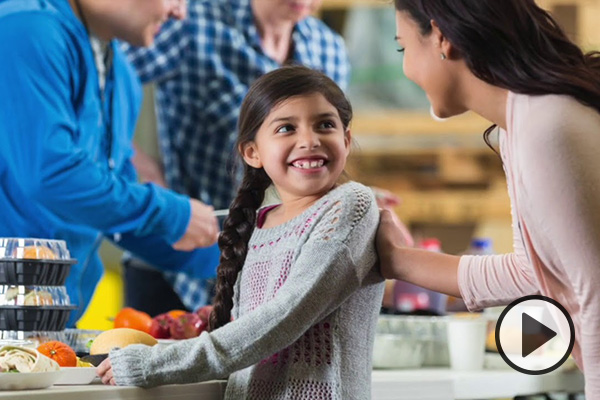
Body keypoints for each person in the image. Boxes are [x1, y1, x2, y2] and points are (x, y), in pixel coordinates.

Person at [98, 66, 384, 399]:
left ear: (346, 140)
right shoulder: (259, 223)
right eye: (286, 128)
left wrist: (154, 363)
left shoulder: (351, 203)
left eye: (325, 125)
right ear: (252, 153)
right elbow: (247, 342)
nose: (309, 140)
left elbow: (283, 317)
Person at [376, 0, 600, 396]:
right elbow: (531, 272)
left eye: (403, 47)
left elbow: (596, 293)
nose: (406, 68)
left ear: (442, 38)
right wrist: (396, 259)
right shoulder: (520, 124)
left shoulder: (546, 126)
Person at [119, 0, 353, 314]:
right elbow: (100, 88)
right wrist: (142, 169)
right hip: (175, 256)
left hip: (271, 264)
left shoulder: (328, 49)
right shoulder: (192, 25)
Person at [0, 0, 221, 326]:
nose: (180, 12)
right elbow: (50, 175)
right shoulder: (25, 30)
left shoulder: (123, 78)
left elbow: (116, 211)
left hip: (46, 329)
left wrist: (245, 255)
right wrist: (171, 211)